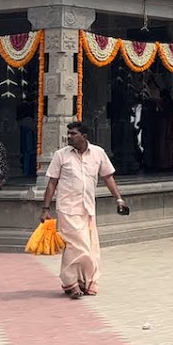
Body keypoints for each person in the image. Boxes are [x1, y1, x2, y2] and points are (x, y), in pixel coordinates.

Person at [41, 121, 128, 299]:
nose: (69, 137)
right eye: (69, 134)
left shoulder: (98, 153)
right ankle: (71, 283)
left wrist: (119, 199)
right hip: (67, 208)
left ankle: (84, 282)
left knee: (89, 247)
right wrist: (45, 208)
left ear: (84, 136)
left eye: (73, 134)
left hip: (88, 208)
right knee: (77, 247)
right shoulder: (61, 155)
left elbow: (108, 177)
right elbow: (52, 183)